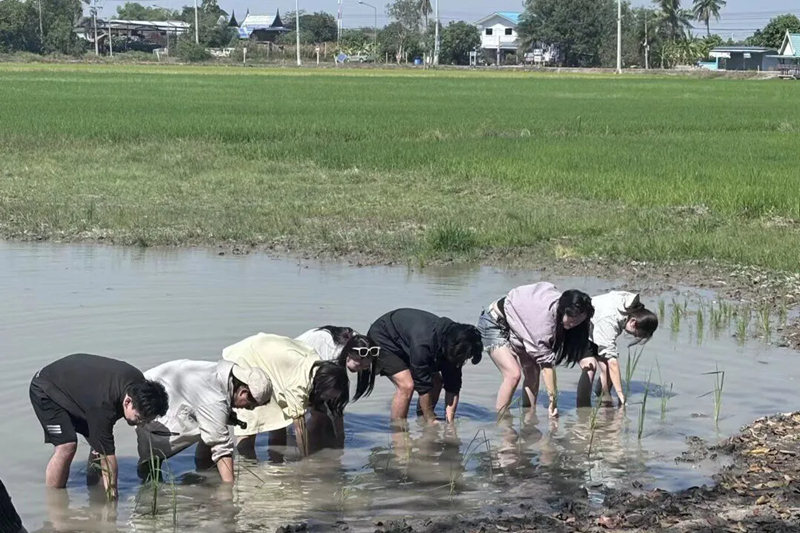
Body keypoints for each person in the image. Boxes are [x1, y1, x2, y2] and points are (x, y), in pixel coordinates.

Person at [29, 353, 169, 498]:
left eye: (146, 420)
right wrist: (113, 498)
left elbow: (102, 444)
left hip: (80, 390)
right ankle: (54, 500)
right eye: (139, 418)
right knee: (67, 445)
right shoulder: (103, 407)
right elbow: (108, 456)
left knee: (99, 444)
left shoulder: (139, 384)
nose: (141, 423)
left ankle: (94, 491)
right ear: (127, 402)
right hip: (46, 389)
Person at [136, 359, 273, 482]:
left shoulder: (218, 377)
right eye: (249, 406)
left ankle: (202, 468)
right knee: (151, 464)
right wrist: (229, 491)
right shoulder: (214, 398)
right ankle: (149, 486)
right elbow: (221, 447)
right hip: (147, 403)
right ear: (243, 393)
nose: (248, 410)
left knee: (212, 425)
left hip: (156, 387)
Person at [222, 333, 350, 458]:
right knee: (249, 423)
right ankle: (246, 468)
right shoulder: (300, 384)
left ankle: (277, 463)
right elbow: (300, 428)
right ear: (325, 384)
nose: (328, 399)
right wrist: (306, 461)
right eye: (329, 395)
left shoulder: (317, 367)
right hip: (247, 358)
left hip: (270, 361)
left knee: (279, 419)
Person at [477, 282, 594, 419]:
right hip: (494, 322)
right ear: (562, 309)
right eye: (572, 320)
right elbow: (547, 367)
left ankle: (529, 418)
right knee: (513, 374)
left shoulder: (565, 311)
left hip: (520, 322)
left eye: (580, 320)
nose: (575, 324)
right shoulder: (542, 325)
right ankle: (502, 421)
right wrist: (553, 402)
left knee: (533, 372)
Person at [367, 308, 483, 426]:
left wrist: (450, 423)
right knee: (407, 385)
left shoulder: (459, 344)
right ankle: (398, 431)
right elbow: (422, 387)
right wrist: (431, 417)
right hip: (384, 338)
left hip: (408, 340)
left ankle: (421, 421)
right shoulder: (423, 345)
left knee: (436, 382)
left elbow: (453, 387)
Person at [576, 291, 659, 408]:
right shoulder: (610, 320)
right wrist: (620, 394)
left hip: (594, 328)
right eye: (637, 334)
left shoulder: (628, 307)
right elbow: (613, 363)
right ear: (633, 322)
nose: (635, 337)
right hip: (577, 327)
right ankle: (582, 409)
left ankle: (604, 398)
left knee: (607, 368)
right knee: (590, 367)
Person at [295, 325, 380, 401]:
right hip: (297, 357)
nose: (361, 369)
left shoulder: (362, 344)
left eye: (366, 366)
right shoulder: (332, 353)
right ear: (348, 355)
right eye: (360, 364)